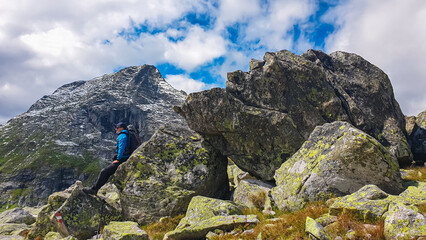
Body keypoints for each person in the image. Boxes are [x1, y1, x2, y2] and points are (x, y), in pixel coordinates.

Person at [83, 122, 131, 195]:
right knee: (107, 173)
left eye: (117, 127)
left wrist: (118, 159)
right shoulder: (127, 135)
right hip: (127, 158)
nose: (116, 129)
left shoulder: (122, 136)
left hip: (123, 160)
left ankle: (94, 189)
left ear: (122, 128)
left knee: (104, 172)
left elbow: (121, 148)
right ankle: (96, 189)